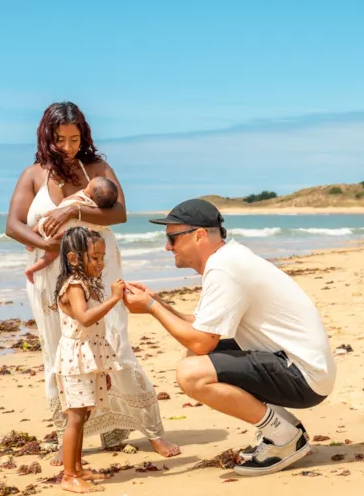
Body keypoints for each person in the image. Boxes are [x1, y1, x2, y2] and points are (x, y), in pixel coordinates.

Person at [4, 101, 179, 461]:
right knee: (60, 351)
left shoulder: (97, 168)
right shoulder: (33, 174)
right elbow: (13, 225)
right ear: (46, 138)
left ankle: (148, 430)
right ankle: (69, 436)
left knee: (114, 343)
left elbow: (120, 213)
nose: (68, 147)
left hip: (99, 268)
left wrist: (73, 209)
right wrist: (48, 244)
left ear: (83, 135)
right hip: (51, 274)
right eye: (60, 140)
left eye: (74, 138)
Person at [122, 198, 336, 476]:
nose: (167, 247)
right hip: (301, 366)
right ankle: (284, 428)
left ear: (199, 235)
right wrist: (158, 302)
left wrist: (151, 309)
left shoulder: (224, 268)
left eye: (172, 239)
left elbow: (201, 340)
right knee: (197, 359)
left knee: (192, 373)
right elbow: (202, 328)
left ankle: (284, 439)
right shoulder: (229, 259)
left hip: (303, 375)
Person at [52, 227, 126, 493]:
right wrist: (115, 298)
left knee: (82, 415)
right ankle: (69, 475)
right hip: (75, 358)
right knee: (75, 416)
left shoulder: (83, 284)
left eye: (102, 257)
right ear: (74, 259)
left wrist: (102, 368)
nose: (101, 263)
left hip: (86, 358)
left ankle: (77, 468)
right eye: (94, 258)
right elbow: (84, 318)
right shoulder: (73, 285)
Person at [24, 176, 119, 284]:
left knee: (42, 221)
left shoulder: (79, 197)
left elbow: (65, 201)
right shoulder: (93, 209)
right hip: (63, 233)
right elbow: (99, 225)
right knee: (49, 256)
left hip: (50, 224)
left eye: (87, 187)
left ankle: (31, 244)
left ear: (88, 194)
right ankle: (31, 270)